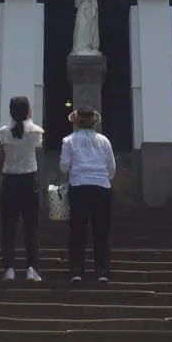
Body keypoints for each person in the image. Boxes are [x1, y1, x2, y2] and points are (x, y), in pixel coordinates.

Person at [59, 106, 116, 283]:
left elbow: (64, 166)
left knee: (77, 229)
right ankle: (101, 270)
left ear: (76, 121)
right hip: (101, 186)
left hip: (79, 186)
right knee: (101, 230)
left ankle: (76, 270)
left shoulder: (69, 140)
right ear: (94, 122)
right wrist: (103, 178)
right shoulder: (104, 141)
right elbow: (112, 167)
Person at [0, 95, 44, 282]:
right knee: (31, 227)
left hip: (10, 181)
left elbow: (0, 156)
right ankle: (32, 268)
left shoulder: (3, 132)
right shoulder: (36, 132)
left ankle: (9, 268)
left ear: (10, 112)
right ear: (29, 111)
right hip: (29, 181)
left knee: (8, 228)